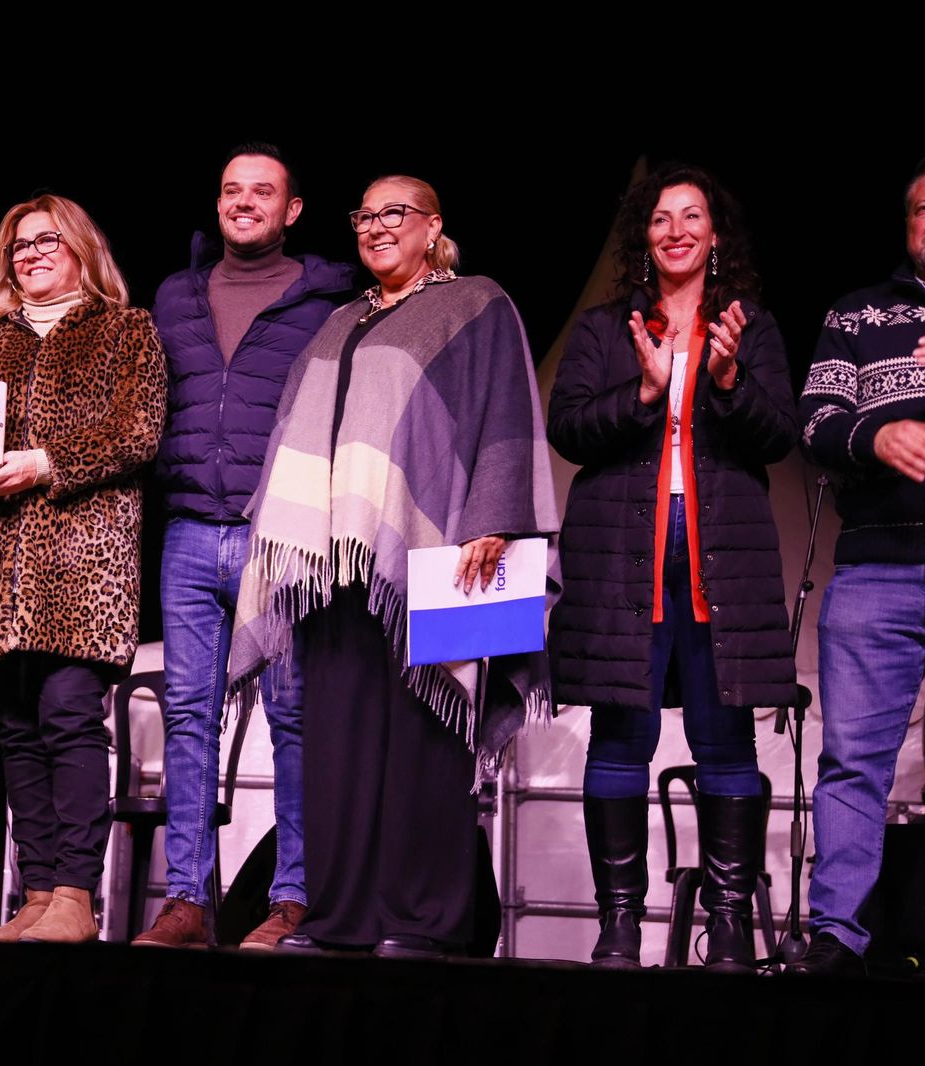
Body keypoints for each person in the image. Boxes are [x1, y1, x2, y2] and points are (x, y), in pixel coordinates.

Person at [227, 176, 557, 959]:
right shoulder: (340, 322)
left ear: (433, 225)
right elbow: (292, 433)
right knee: (336, 751)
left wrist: (496, 518)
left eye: (394, 214)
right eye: (365, 216)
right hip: (335, 572)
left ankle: (423, 923)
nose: (376, 227)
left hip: (443, 557)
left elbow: (509, 413)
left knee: (425, 744)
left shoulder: (477, 305)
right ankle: (340, 921)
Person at [547, 165, 798, 971]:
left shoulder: (748, 328)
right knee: (621, 733)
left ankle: (727, 923)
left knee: (726, 736)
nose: (677, 230)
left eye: (693, 217)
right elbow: (570, 428)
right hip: (625, 557)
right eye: (661, 219)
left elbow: (778, 436)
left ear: (716, 235)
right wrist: (647, 393)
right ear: (643, 236)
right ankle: (619, 924)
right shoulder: (601, 329)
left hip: (723, 560)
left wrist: (724, 381)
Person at [0, 193, 167, 944]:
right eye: (18, 245)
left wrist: (47, 462)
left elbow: (139, 434)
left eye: (46, 241)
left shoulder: (126, 330)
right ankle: (35, 893)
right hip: (3, 566)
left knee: (68, 719)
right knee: (16, 729)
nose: (29, 254)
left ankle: (75, 894)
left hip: (83, 559)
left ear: (81, 249)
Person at [133, 143, 355, 950]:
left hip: (283, 541)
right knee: (189, 720)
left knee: (293, 720)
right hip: (190, 531)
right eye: (231, 189)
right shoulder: (176, 296)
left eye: (262, 191)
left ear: (292, 211)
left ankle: (291, 900)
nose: (244, 201)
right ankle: (188, 901)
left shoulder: (325, 301)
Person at [791, 148, 925, 979]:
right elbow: (812, 423)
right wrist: (871, 435)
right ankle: (838, 932)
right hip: (877, 566)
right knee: (852, 763)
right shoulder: (859, 313)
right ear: (907, 223)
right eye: (924, 208)